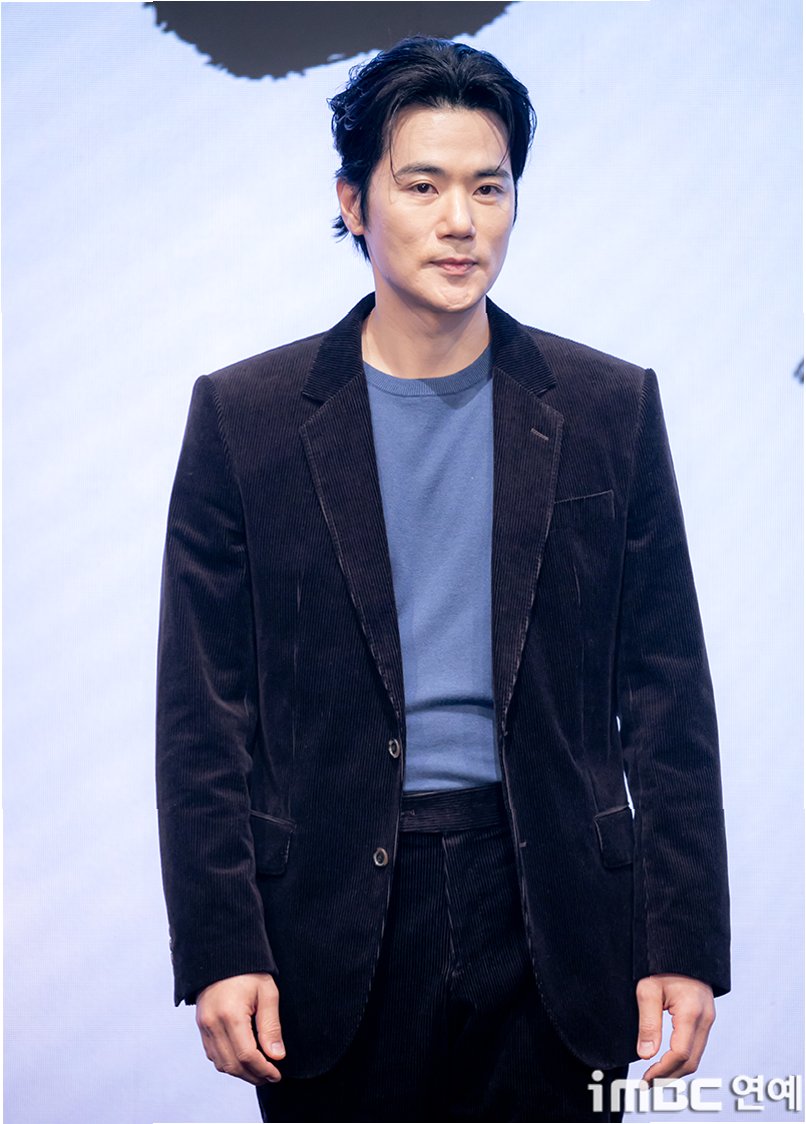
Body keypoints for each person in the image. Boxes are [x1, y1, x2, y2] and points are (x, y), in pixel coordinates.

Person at [156, 36, 730, 1123]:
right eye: (421, 185)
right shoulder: (246, 418)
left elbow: (664, 693)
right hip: (333, 922)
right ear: (353, 202)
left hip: (555, 908)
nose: (460, 220)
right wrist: (221, 944)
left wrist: (685, 938)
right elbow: (203, 714)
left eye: (488, 187)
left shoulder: (608, 407)